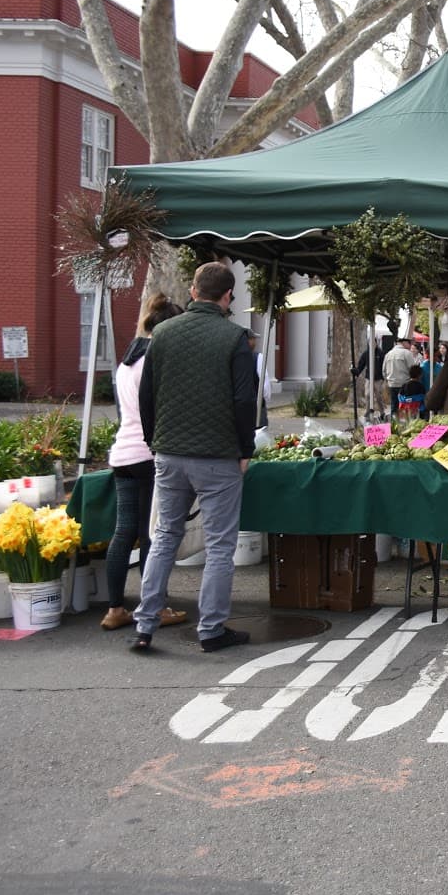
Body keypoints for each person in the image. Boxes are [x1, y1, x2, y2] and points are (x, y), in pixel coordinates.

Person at [130, 262, 257, 653]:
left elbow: (146, 395)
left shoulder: (162, 333)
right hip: (217, 455)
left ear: (192, 290)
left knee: (165, 536)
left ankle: (145, 625)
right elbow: (243, 399)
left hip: (169, 452)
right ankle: (211, 629)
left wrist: (155, 440)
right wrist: (244, 449)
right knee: (220, 545)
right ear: (228, 296)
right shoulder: (235, 338)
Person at [101, 294, 188, 632]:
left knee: (123, 532)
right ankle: (157, 606)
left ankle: (114, 608)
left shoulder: (127, 359)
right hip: (150, 454)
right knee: (154, 533)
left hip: (122, 453)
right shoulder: (157, 358)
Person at [382, 323, 414, 419]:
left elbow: (383, 371)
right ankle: (403, 425)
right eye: (409, 343)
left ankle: (393, 425)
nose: (410, 345)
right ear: (404, 342)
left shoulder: (389, 354)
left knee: (394, 406)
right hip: (405, 385)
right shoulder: (407, 353)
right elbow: (413, 369)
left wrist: (388, 380)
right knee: (404, 406)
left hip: (392, 384)